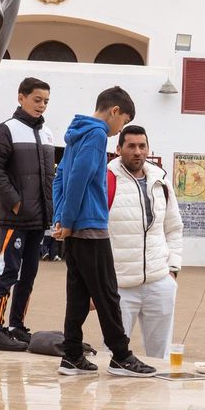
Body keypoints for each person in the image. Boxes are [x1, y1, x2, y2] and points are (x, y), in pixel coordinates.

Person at [51, 86, 154, 377]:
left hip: (75, 230)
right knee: (108, 294)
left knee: (79, 295)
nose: (118, 130)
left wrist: (61, 219)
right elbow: (78, 179)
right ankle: (121, 356)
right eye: (123, 122)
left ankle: (71, 355)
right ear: (115, 112)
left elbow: (60, 178)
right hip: (91, 227)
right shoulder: (96, 134)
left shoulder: (76, 132)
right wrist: (69, 221)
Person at [0, 78, 56, 351]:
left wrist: (51, 212)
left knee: (29, 275)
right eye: (37, 100)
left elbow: (49, 178)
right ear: (21, 97)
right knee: (8, 272)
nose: (42, 105)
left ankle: (16, 326)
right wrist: (15, 202)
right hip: (15, 219)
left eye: (46, 101)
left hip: (39, 220)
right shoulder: (8, 129)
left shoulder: (47, 133)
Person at [106, 125, 184, 359]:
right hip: (120, 285)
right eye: (131, 146)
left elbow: (174, 227)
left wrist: (172, 270)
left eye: (142, 146)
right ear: (119, 149)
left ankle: (159, 396)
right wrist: (99, 285)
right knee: (113, 355)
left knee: (160, 357)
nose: (138, 151)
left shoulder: (161, 182)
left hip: (159, 282)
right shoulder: (106, 180)